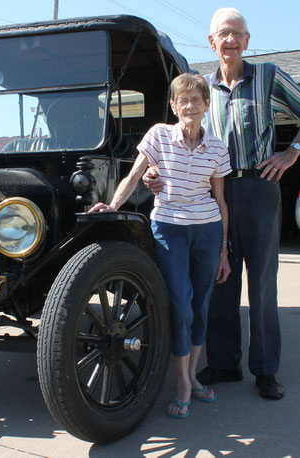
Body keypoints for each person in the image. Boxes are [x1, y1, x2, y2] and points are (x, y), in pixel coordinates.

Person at [144, 8, 300, 400]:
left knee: (261, 283)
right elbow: (178, 139)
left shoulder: (268, 77)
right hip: (215, 193)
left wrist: (292, 151)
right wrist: (155, 174)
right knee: (218, 278)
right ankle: (223, 363)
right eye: (223, 34)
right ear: (212, 42)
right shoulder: (201, 89)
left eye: (237, 34)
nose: (230, 41)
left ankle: (265, 370)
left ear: (246, 40)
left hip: (259, 189)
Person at [90, 73, 232, 419]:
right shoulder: (159, 135)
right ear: (173, 105)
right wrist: (113, 205)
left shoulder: (216, 147)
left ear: (206, 106)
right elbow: (135, 175)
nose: (189, 105)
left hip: (208, 230)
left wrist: (224, 250)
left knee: (201, 307)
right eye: (183, 100)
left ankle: (192, 377)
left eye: (196, 100)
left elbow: (221, 200)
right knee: (180, 305)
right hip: (169, 227)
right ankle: (182, 383)